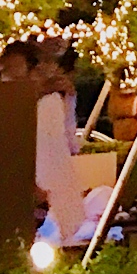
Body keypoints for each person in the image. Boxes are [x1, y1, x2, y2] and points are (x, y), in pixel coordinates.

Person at [33, 41, 86, 243]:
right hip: (50, 168)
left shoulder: (58, 96)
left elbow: (70, 139)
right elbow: (71, 141)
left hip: (53, 168)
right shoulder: (52, 96)